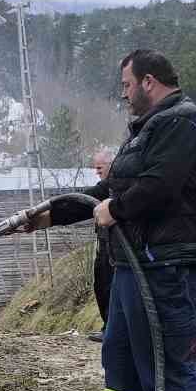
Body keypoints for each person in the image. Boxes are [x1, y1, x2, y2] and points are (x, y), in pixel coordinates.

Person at [21, 49, 196, 391]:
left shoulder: (181, 122)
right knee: (122, 355)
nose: (124, 94)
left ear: (149, 81)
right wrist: (51, 214)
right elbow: (105, 191)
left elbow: (160, 186)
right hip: (133, 264)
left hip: (167, 262)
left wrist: (119, 208)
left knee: (167, 360)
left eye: (127, 85)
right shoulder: (146, 130)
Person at [88, 147, 115, 343]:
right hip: (103, 244)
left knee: (112, 287)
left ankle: (113, 329)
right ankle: (108, 326)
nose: (97, 171)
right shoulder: (103, 186)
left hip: (116, 248)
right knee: (101, 285)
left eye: (99, 167)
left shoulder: (117, 185)